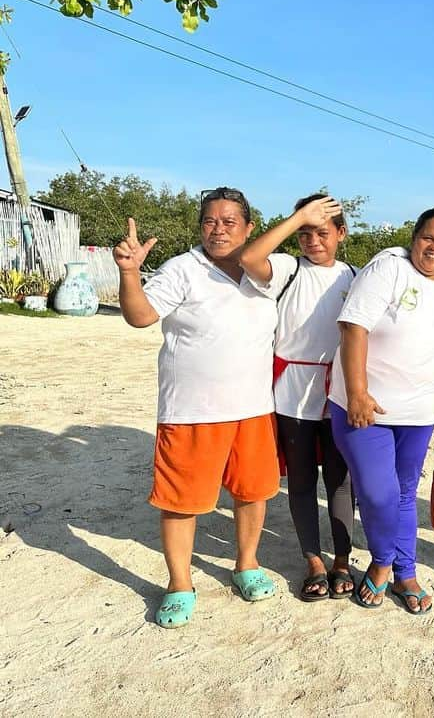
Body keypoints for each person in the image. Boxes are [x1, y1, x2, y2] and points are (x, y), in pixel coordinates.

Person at [113, 187, 280, 628]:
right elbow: (141, 315)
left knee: (253, 492)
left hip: (254, 408)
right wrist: (130, 273)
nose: (218, 229)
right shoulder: (182, 269)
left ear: (249, 228)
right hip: (191, 411)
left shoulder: (266, 275)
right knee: (181, 502)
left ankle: (246, 564)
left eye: (229, 221)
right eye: (210, 220)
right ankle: (179, 584)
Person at [327, 208, 434, 615]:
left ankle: (404, 570)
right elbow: (353, 327)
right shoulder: (388, 269)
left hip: (419, 411)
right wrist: (357, 392)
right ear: (414, 239)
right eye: (428, 237)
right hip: (365, 407)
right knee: (378, 492)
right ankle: (384, 560)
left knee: (405, 493)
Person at [239, 193, 357, 602]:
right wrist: (298, 218)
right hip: (292, 393)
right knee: (303, 481)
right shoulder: (288, 269)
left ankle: (342, 559)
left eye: (322, 232)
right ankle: (314, 562)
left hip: (341, 392)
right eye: (305, 232)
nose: (313, 240)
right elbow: (250, 258)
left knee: (341, 481)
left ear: (341, 233)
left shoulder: (355, 276)